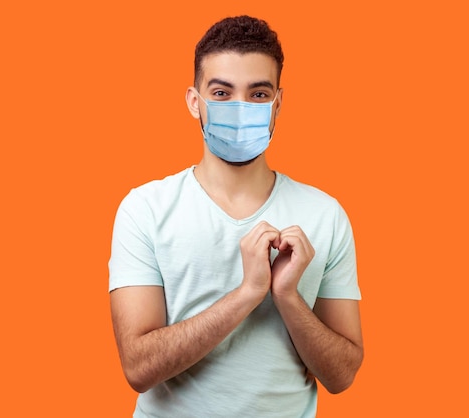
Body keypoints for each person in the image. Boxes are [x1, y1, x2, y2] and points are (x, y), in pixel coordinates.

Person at [109, 15, 363, 417]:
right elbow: (138, 367)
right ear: (195, 102)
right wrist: (247, 295)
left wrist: (287, 297)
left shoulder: (325, 215)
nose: (240, 108)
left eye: (258, 94)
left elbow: (342, 375)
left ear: (278, 103)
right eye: (222, 93)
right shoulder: (144, 209)